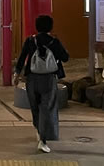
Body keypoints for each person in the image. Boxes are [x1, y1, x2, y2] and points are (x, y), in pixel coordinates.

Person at [13, 14, 70, 153]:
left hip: (32, 79)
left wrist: (16, 74)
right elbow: (65, 58)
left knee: (35, 108)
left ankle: (39, 130)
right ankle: (43, 140)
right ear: (50, 26)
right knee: (47, 109)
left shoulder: (30, 40)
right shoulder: (54, 41)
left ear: (36, 27)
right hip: (49, 79)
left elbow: (21, 58)